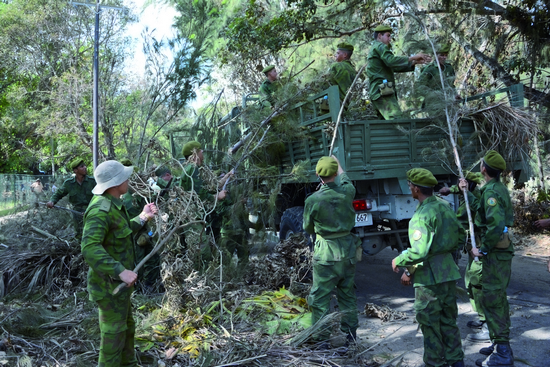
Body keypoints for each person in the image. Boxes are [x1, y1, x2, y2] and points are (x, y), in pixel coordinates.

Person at [81, 160, 158, 367]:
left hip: (119, 287)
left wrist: (143, 217)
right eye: (124, 176)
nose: (128, 179)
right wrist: (120, 271)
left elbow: (120, 232)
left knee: (127, 329)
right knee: (113, 339)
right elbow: (89, 248)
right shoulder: (101, 210)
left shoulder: (115, 204)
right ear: (116, 183)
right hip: (109, 287)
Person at [392, 168, 465, 367]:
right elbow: (461, 235)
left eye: (410, 185)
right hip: (448, 272)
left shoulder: (421, 216)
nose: (409, 188)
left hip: (429, 279)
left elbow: (419, 252)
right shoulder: (445, 207)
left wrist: (400, 260)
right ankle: (456, 360)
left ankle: (434, 362)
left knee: (430, 323)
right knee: (448, 320)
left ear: (415, 189)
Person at [459, 150, 515, 367]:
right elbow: (481, 213)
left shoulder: (492, 192)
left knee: (494, 300)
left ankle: (503, 352)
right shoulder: (495, 189)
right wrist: (467, 192)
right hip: (498, 253)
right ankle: (497, 343)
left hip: (495, 255)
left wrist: (482, 251)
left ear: (483, 169)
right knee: (492, 297)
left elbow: (494, 225)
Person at [303, 155, 360, 346]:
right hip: (348, 252)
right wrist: (338, 164)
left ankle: (321, 340)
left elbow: (308, 227)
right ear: (335, 173)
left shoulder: (313, 199)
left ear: (318, 174)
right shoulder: (348, 192)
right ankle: (351, 338)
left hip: (326, 255)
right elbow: (345, 179)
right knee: (347, 295)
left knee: (320, 298)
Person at [440, 171, 487, 339]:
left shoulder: (475, 199)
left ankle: (489, 325)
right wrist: (451, 189)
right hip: (472, 247)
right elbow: (458, 189)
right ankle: (483, 318)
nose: (461, 186)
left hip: (479, 248)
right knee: (470, 282)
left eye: (464, 184)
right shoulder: (468, 193)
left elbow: (461, 219)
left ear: (470, 185)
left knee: (478, 282)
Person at [367, 24, 431, 119]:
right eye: (388, 35)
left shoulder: (375, 48)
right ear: (380, 36)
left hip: (377, 92)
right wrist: (413, 57)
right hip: (382, 90)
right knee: (398, 121)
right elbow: (391, 61)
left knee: (384, 125)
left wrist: (414, 62)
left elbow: (392, 66)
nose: (390, 38)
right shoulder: (380, 46)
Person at [120, 159, 160, 292]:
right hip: (134, 235)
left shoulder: (140, 192)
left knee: (154, 258)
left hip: (145, 232)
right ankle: (137, 291)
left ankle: (149, 286)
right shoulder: (125, 197)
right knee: (138, 264)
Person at [47, 158, 96, 238]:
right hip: (76, 212)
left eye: (85, 166)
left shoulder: (92, 181)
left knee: (93, 233)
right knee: (79, 234)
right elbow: (59, 193)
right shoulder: (69, 183)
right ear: (75, 170)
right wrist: (52, 201)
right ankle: (81, 249)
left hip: (91, 211)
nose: (85, 168)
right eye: (82, 166)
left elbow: (100, 196)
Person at [415, 44, 460, 114]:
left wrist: (455, 95)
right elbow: (420, 86)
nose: (444, 57)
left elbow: (451, 85)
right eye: (442, 55)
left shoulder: (449, 68)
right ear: (436, 55)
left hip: (449, 102)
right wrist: (432, 95)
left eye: (446, 55)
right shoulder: (429, 69)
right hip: (434, 104)